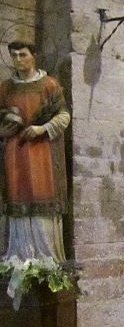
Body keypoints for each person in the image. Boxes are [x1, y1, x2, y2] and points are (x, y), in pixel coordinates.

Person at [0, 41, 71, 262]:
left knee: (43, 194)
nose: (18, 60)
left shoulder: (49, 84)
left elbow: (63, 116)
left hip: (42, 153)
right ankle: (19, 257)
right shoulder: (5, 88)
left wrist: (41, 128)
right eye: (14, 56)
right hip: (15, 152)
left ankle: (46, 259)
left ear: (34, 56)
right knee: (17, 195)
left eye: (23, 55)